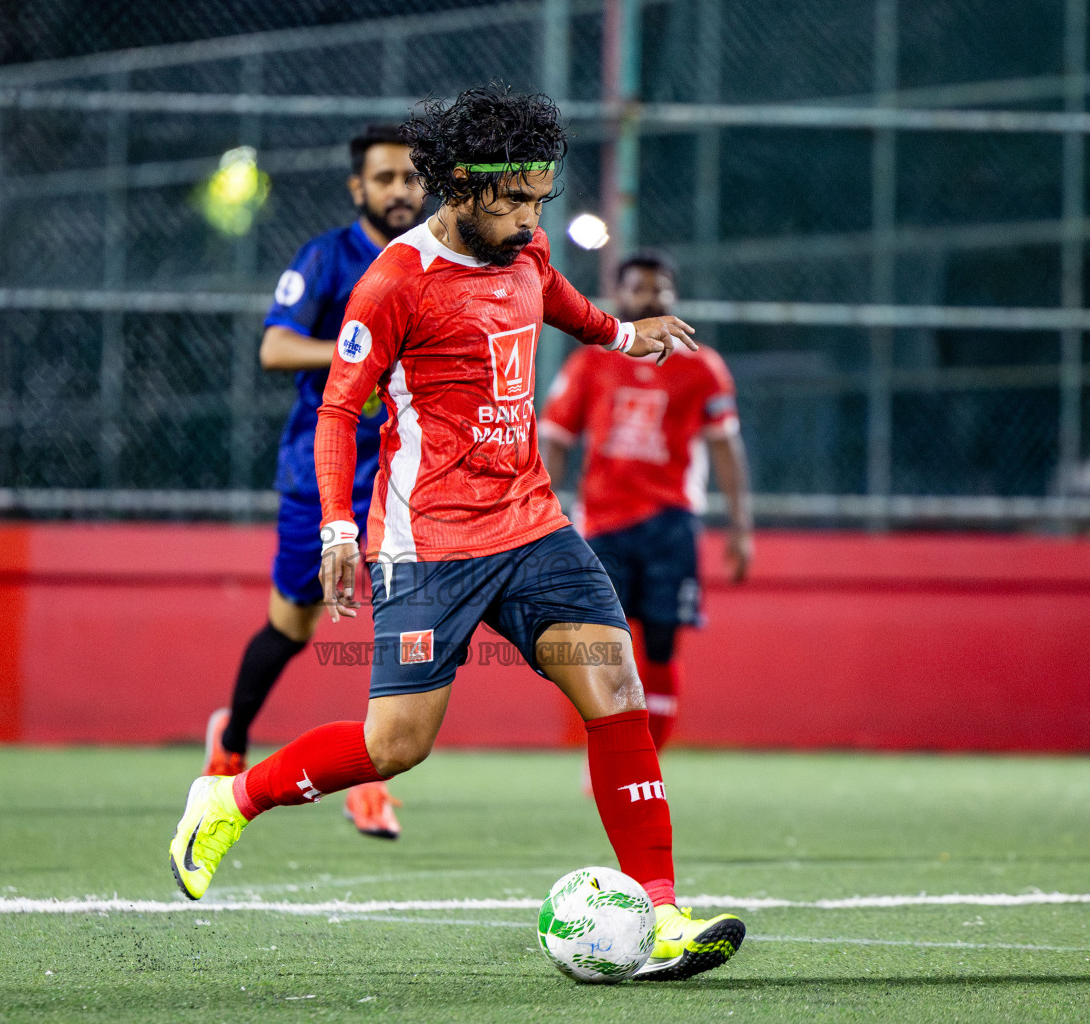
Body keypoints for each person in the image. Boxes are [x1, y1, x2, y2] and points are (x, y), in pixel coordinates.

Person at [170, 85, 745, 981]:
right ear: (460, 186)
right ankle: (232, 796)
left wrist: (624, 336)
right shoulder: (395, 283)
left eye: (538, 200)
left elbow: (550, 296)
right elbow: (335, 414)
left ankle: (663, 915)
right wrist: (334, 528)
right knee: (395, 746)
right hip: (424, 541)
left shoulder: (525, 245)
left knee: (615, 684)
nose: (528, 219)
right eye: (512, 201)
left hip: (533, 524)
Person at [198, 123, 425, 840]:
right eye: (385, 178)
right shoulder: (326, 258)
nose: (401, 191)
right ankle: (229, 743)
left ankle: (369, 781)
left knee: (403, 622)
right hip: (320, 467)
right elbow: (274, 346)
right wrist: (360, 349)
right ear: (358, 187)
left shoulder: (437, 262)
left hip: (402, 474)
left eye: (412, 178)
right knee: (292, 625)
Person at [540, 251, 753, 756]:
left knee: (660, 645)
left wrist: (742, 528)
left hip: (670, 524)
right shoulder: (590, 361)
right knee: (603, 649)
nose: (650, 297)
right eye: (638, 288)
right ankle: (614, 757)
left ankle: (646, 762)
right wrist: (543, 512)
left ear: (674, 298)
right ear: (619, 295)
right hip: (603, 526)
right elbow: (555, 437)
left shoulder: (703, 368)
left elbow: (726, 446)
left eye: (660, 289)